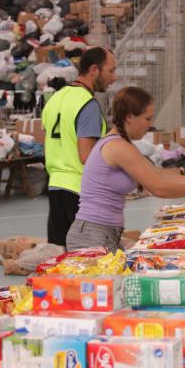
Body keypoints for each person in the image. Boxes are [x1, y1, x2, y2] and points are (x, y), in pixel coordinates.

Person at [66, 86, 185, 252]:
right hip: (92, 234)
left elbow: (157, 172)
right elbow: (157, 186)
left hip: (103, 231)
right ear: (129, 117)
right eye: (147, 119)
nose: (150, 125)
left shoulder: (123, 144)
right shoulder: (117, 146)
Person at [42, 47, 117, 246]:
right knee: (89, 258)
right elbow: (86, 155)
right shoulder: (87, 104)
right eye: (111, 70)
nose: (114, 77)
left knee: (62, 255)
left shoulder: (55, 99)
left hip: (56, 186)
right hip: (80, 191)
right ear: (94, 69)